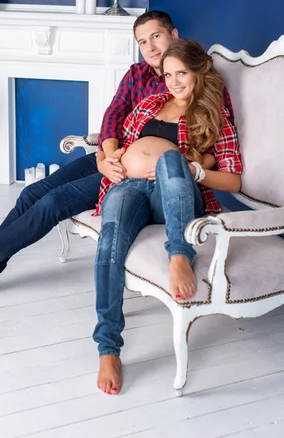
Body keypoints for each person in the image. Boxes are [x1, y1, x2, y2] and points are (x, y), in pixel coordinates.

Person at [0, 11, 234, 296]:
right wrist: (106, 157)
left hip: (133, 176)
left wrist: (188, 165)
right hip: (110, 160)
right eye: (142, 41)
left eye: (156, 36)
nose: (150, 47)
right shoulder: (137, 75)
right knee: (31, 193)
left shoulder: (189, 81)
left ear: (174, 34)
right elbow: (113, 117)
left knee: (53, 203)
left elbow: (211, 141)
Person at [93, 39, 242, 395]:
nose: (174, 81)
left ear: (198, 73)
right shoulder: (151, 103)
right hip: (127, 187)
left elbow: (234, 177)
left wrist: (195, 169)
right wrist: (105, 161)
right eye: (168, 73)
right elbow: (115, 140)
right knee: (109, 238)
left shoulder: (212, 115)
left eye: (182, 73)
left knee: (172, 159)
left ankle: (179, 253)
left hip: (171, 196)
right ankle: (108, 348)